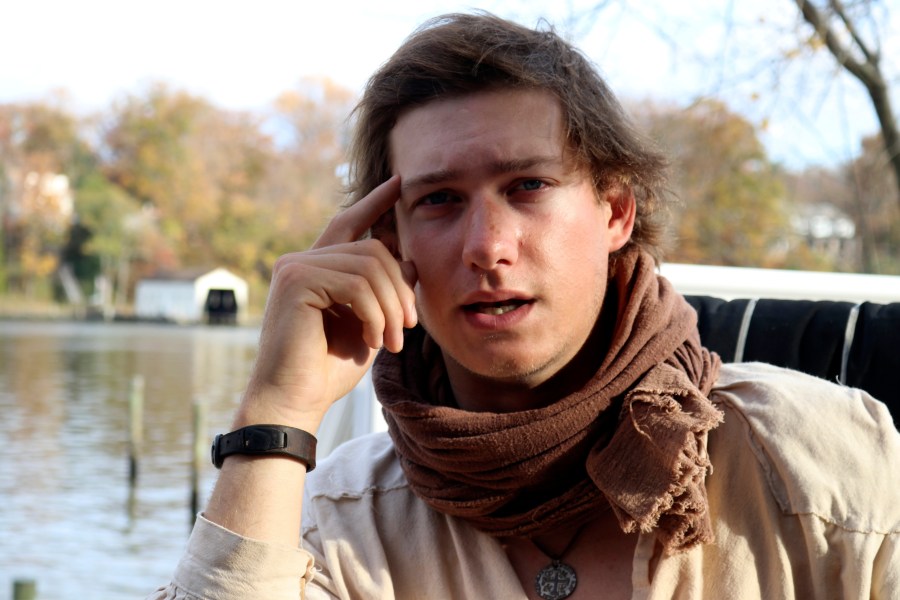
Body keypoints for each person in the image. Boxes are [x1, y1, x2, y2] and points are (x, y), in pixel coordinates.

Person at [151, 12, 900, 600]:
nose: (487, 245)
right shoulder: (329, 521)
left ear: (614, 211)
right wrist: (275, 408)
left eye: (528, 187)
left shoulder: (821, 463)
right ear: (389, 240)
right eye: (439, 200)